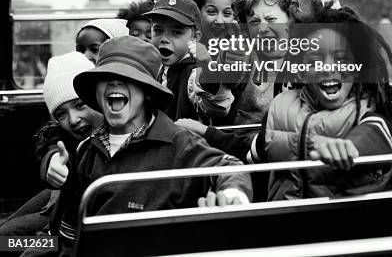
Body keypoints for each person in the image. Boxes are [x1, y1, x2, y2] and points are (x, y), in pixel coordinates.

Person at [191, 0, 392, 200]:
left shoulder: (367, 109)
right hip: (287, 226)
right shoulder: (281, 107)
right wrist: (204, 132)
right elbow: (254, 150)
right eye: (315, 60)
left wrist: (348, 148)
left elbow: (375, 136)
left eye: (341, 59)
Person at [57, 35, 252, 254]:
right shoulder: (87, 150)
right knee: (11, 242)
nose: (114, 82)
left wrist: (232, 196)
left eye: (127, 77)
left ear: (147, 92)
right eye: (105, 77)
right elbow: (71, 229)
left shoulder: (178, 142)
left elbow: (228, 167)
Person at [0, 52, 103, 238]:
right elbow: (55, 147)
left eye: (80, 105)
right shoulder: (69, 140)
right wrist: (53, 161)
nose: (73, 120)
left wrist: (45, 240)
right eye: (61, 114)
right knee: (5, 231)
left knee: (7, 239)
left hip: (68, 240)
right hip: (61, 201)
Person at [147, 0, 231, 121]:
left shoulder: (194, 72)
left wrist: (207, 66)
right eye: (158, 30)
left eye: (176, 32)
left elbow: (218, 107)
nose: (164, 39)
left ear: (195, 37)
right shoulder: (156, 69)